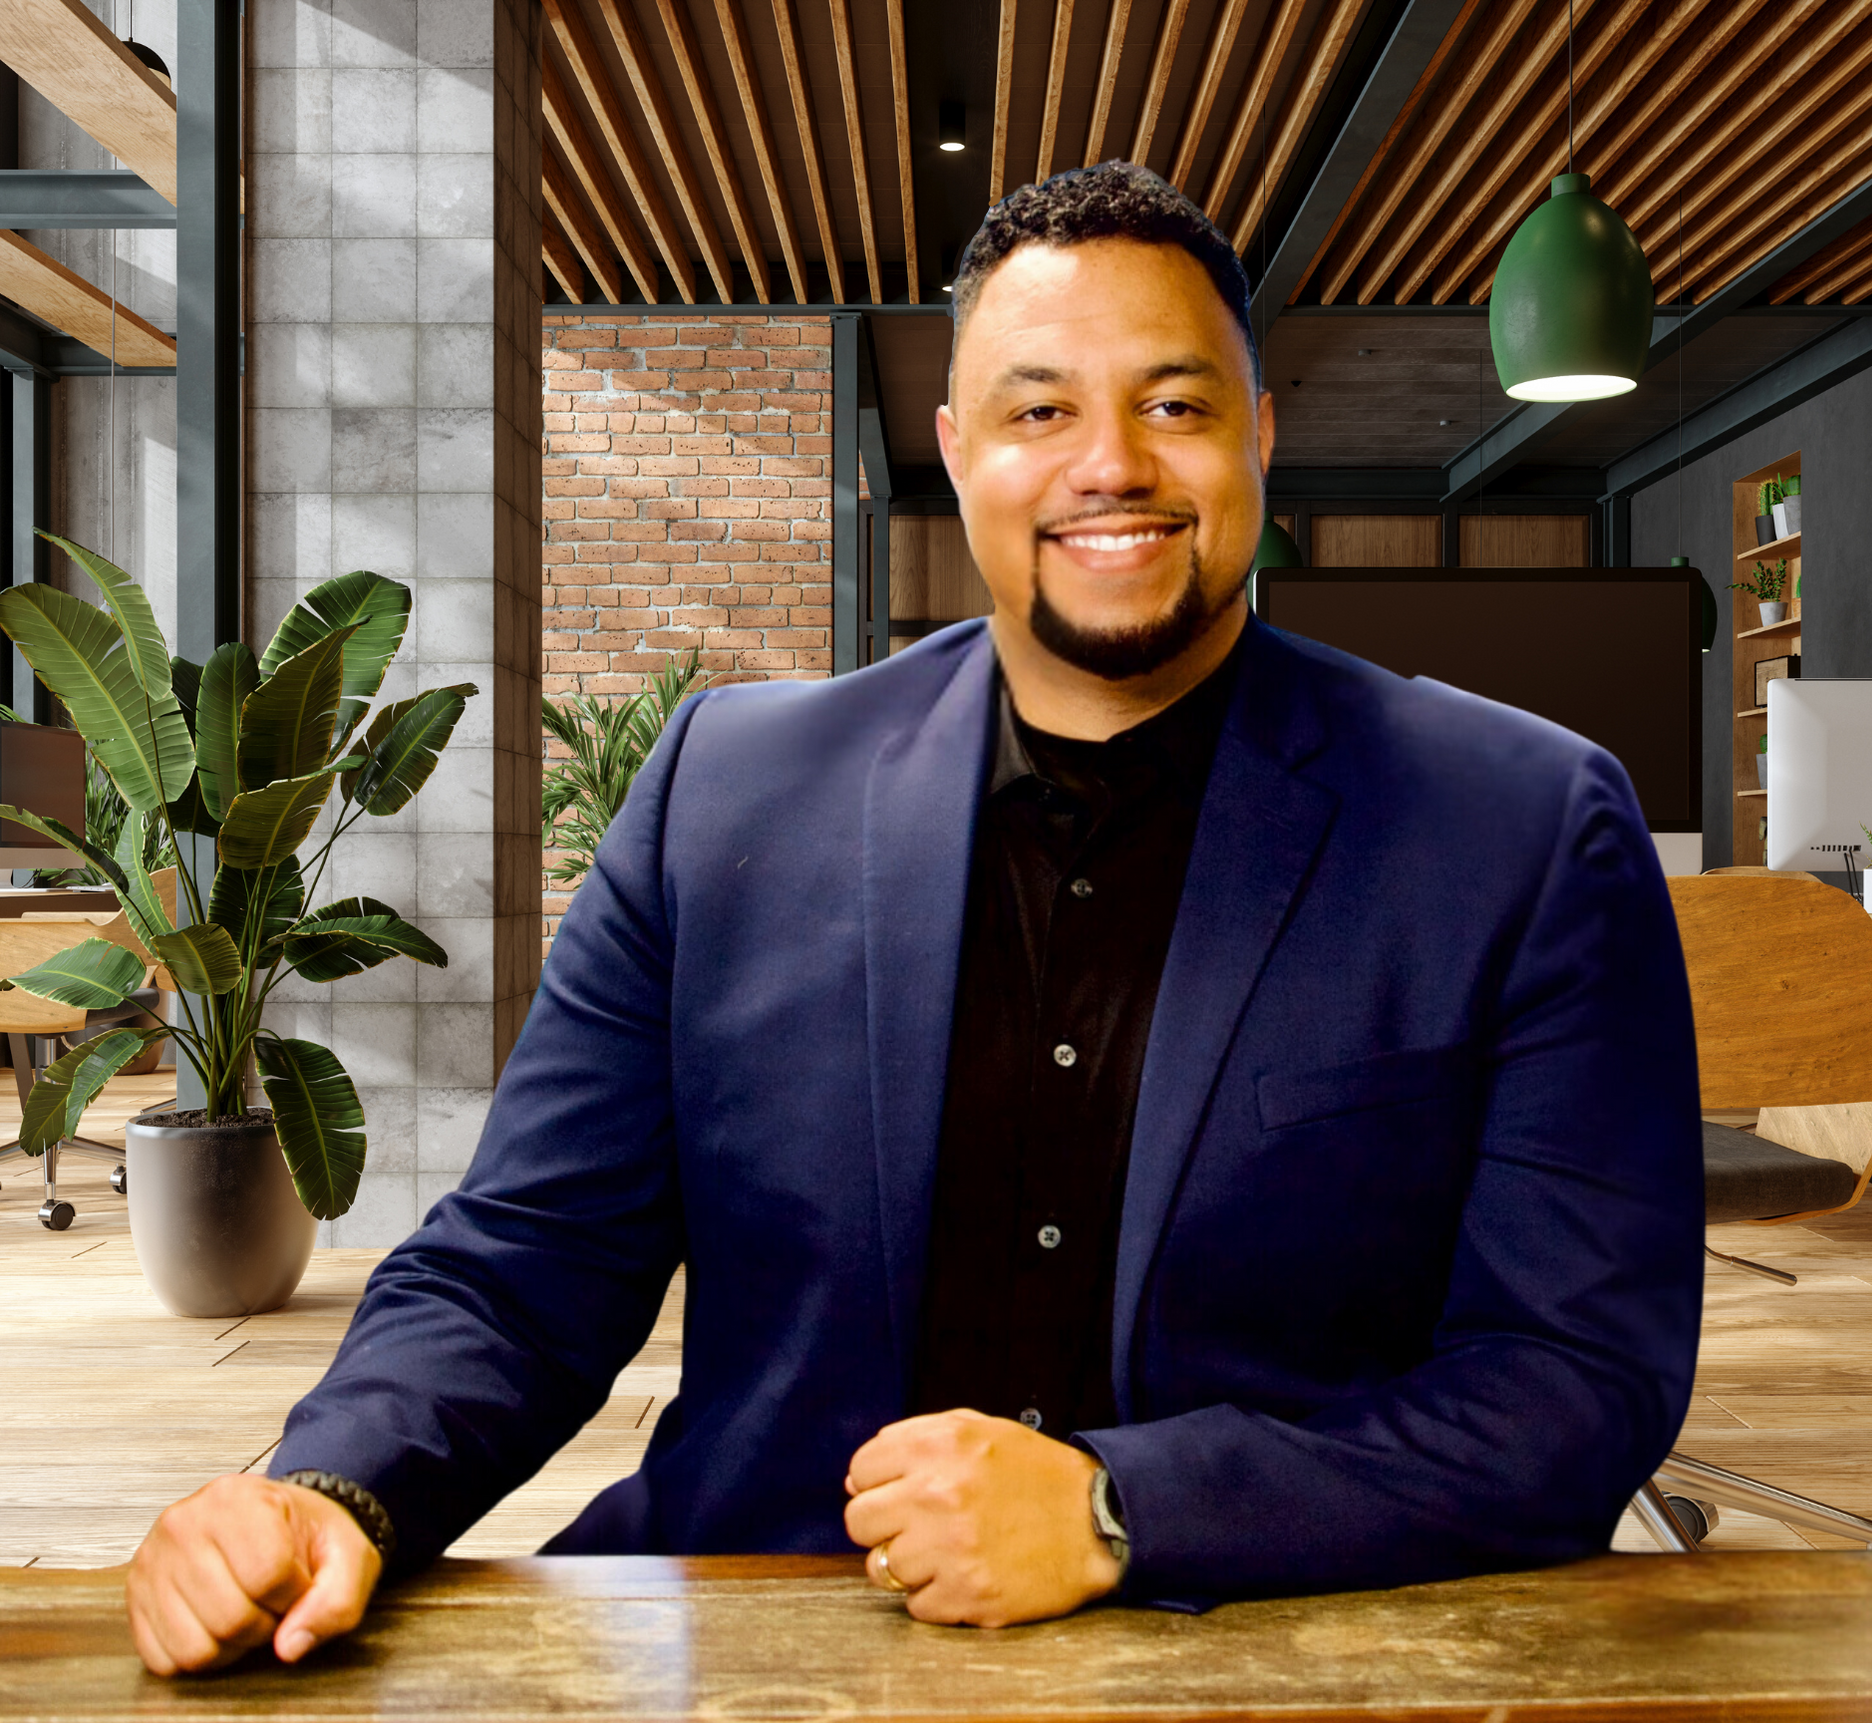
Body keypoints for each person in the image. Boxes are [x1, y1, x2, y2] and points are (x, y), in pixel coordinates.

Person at [126, 162, 1703, 1676]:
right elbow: (526, 1257)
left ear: (1260, 437)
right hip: (752, 1619)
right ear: (958, 451)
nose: (1110, 465)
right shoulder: (723, 790)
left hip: (1274, 1645)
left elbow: (1571, 1381)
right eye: (1040, 409)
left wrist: (1117, 1507)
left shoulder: (1519, 824)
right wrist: (327, 1486)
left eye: (1175, 403)